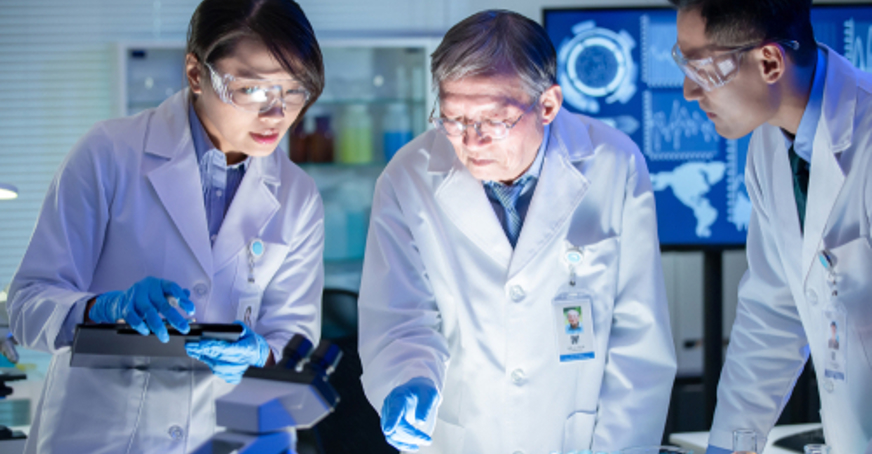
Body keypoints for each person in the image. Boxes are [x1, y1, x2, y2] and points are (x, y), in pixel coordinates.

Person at [7, 0, 325, 452]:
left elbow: (293, 338)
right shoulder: (109, 154)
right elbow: (27, 307)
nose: (277, 113)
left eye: (294, 90)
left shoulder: (297, 196)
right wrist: (103, 310)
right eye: (252, 89)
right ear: (196, 74)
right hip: (100, 437)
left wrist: (260, 354)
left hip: (228, 435)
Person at [357, 10, 677, 454]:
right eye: (453, 119)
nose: (472, 140)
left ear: (547, 106)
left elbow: (638, 338)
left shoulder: (613, 163)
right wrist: (407, 378)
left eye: (494, 120)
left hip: (579, 438)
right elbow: (399, 318)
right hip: (462, 437)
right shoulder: (408, 176)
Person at [669, 1, 872, 453]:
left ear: (769, 62)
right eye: (683, 63)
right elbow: (773, 312)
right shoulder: (769, 143)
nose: (687, 90)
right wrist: (730, 446)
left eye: (701, 68)